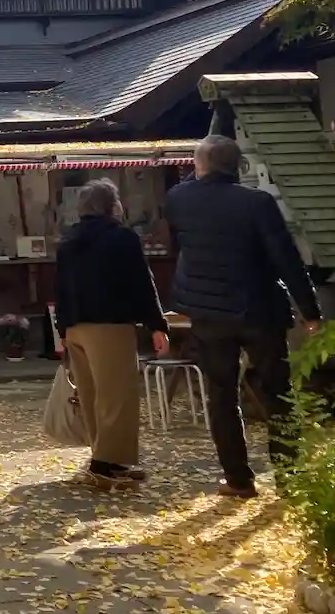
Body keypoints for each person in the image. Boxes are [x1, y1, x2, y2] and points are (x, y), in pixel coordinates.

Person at [166, 135, 323, 499]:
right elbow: (286, 258)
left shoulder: (178, 200)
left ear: (199, 165)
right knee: (278, 392)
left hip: (208, 313)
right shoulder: (257, 203)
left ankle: (238, 479)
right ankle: (289, 476)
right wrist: (309, 311)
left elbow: (193, 187)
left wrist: (201, 167)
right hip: (259, 309)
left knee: (221, 395)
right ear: (239, 166)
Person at [55, 178, 170, 489]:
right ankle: (105, 464)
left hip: (76, 326)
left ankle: (108, 458)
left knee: (91, 395)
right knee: (117, 395)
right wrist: (157, 324)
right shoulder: (122, 238)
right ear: (112, 206)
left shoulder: (68, 240)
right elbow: (141, 283)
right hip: (110, 324)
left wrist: (62, 328)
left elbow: (59, 288)